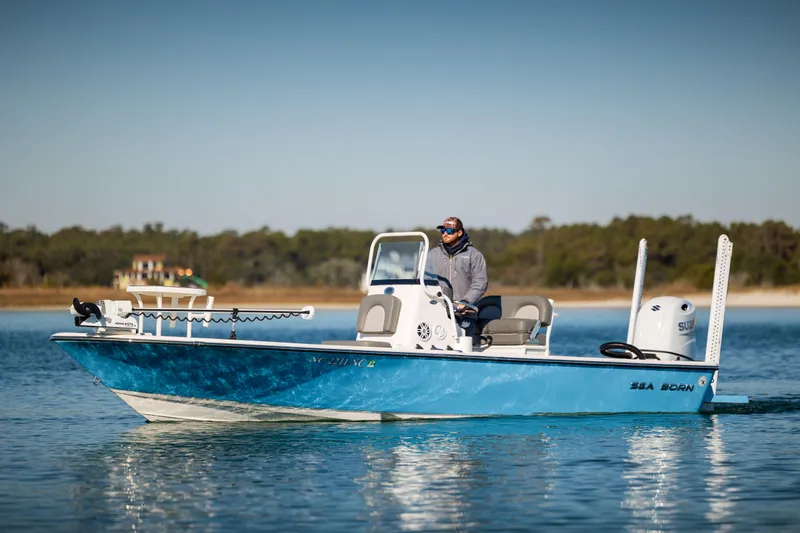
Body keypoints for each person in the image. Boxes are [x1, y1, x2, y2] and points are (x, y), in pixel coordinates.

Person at [428, 216, 488, 339]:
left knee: (463, 348)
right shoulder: (432, 254)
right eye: (442, 230)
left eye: (449, 231)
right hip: (437, 312)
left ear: (459, 232)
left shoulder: (474, 255)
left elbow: (480, 283)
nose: (445, 234)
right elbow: (424, 280)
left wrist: (465, 302)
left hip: (464, 314)